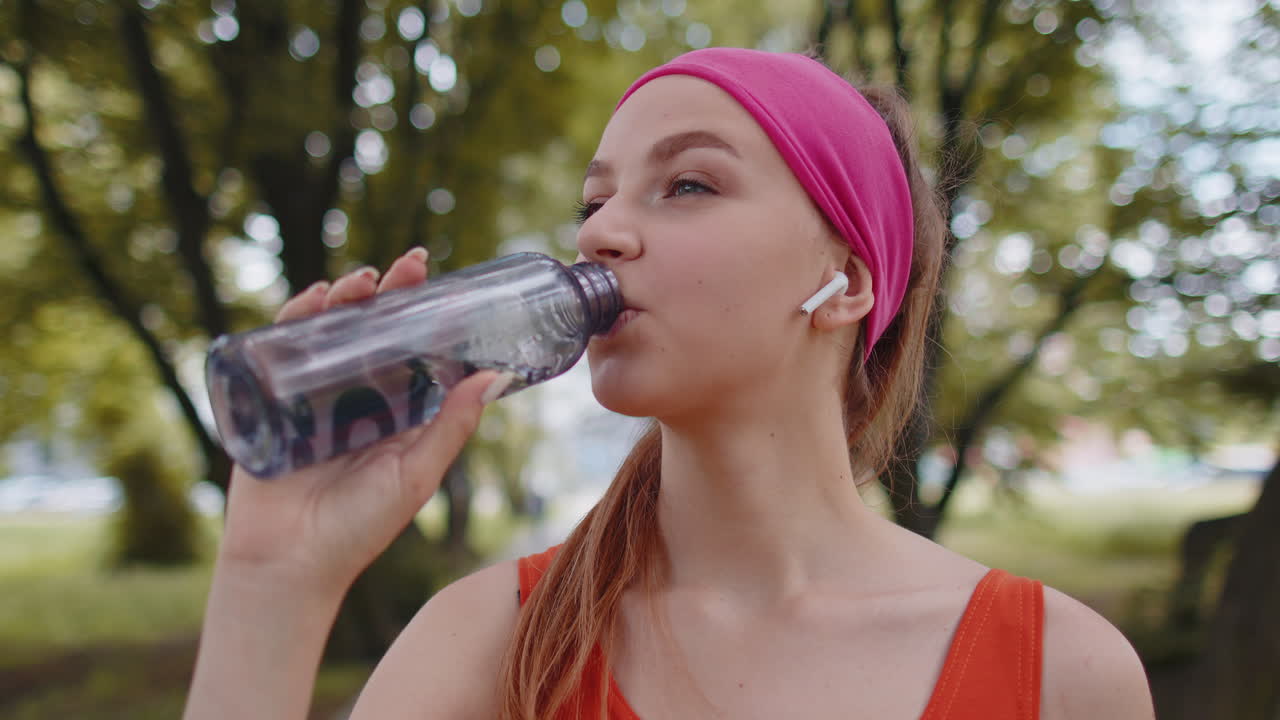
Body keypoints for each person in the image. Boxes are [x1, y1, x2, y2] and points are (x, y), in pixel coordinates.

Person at [183, 48, 1154, 720]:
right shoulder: (492, 644)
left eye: (686, 184)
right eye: (593, 199)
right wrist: (272, 584)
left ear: (845, 283)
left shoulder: (1058, 670)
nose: (598, 233)